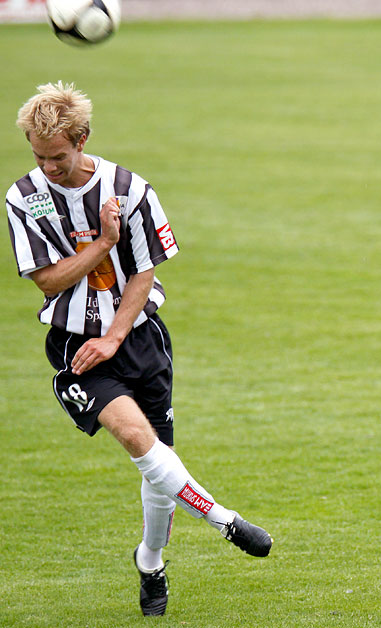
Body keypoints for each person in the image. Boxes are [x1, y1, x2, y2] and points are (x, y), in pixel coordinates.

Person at [6, 82, 273, 616]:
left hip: (138, 338)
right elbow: (48, 281)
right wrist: (103, 244)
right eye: (38, 156)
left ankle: (150, 560)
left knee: (158, 466)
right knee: (135, 438)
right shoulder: (24, 196)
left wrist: (114, 336)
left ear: (82, 139)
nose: (48, 168)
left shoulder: (129, 189)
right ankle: (224, 519)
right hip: (76, 348)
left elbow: (145, 271)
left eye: (58, 157)